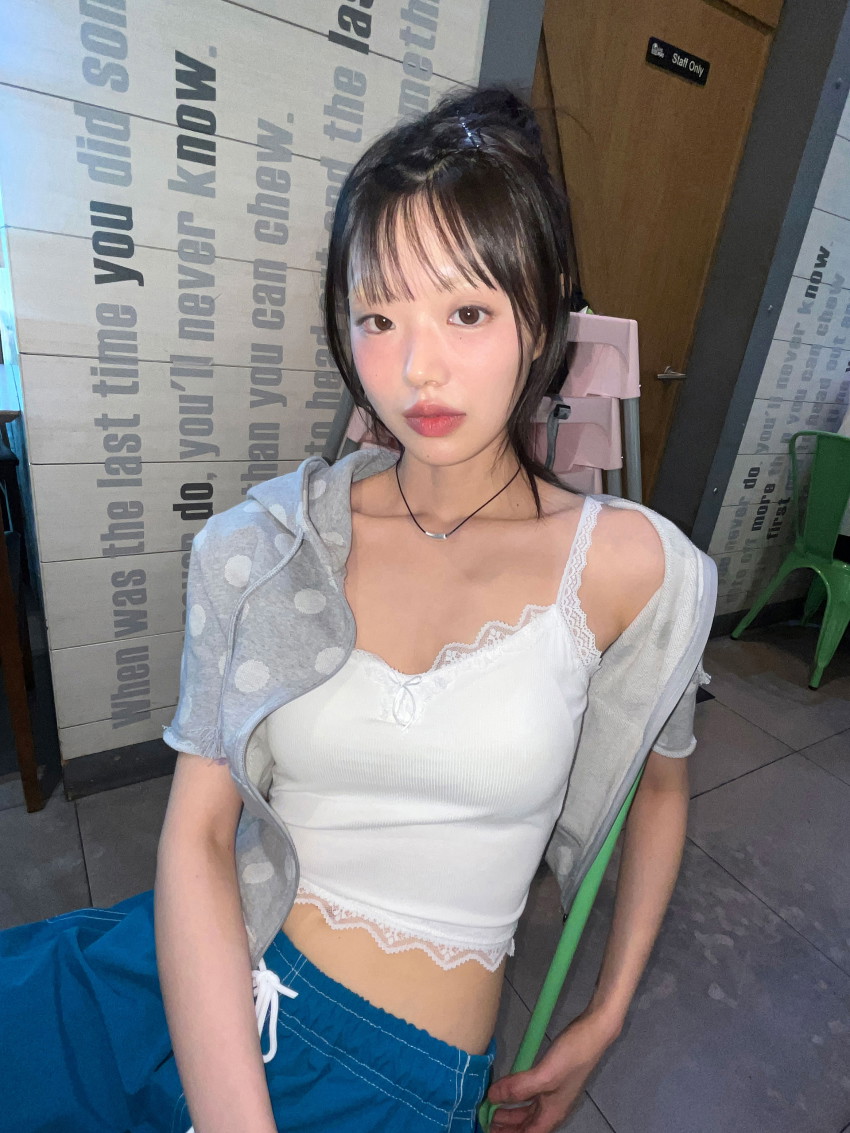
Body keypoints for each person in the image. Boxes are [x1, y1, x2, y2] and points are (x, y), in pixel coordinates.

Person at [0, 85, 716, 1133]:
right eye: (379, 317)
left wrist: (604, 1014)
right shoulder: (263, 545)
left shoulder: (634, 569)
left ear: (541, 318)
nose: (415, 367)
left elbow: (660, 788)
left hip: (390, 1079)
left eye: (465, 312)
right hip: (196, 967)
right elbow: (198, 832)